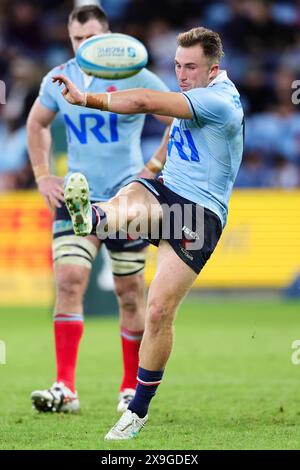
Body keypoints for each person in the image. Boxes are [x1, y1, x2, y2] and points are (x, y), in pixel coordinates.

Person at [53, 26, 244, 439]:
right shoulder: (194, 97)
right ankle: (94, 218)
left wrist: (86, 98)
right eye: (177, 65)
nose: (182, 74)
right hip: (167, 192)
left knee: (157, 310)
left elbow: (142, 100)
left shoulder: (220, 102)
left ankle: (137, 409)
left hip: (199, 215)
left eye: (190, 67)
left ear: (214, 69)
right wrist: (150, 169)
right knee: (135, 193)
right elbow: (168, 129)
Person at [27, 4, 171, 414]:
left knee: (130, 293)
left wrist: (153, 167)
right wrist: (42, 175)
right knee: (70, 281)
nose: (84, 45)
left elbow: (178, 119)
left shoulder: (137, 74)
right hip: (76, 196)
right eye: (77, 39)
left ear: (107, 37)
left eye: (92, 38)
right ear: (69, 39)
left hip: (127, 200)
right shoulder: (59, 78)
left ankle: (129, 388)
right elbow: (36, 124)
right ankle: (65, 388)